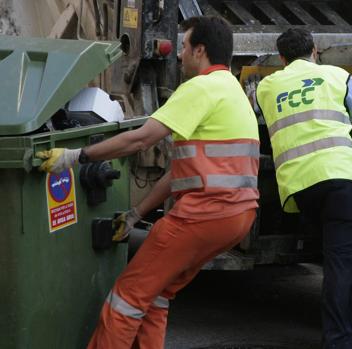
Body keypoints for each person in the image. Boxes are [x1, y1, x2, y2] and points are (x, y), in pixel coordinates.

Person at [36, 16, 259, 348]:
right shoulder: (233, 90)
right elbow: (178, 173)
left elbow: (139, 141)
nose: (179, 55)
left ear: (200, 50)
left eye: (183, 46)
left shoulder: (200, 87)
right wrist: (135, 215)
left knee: (126, 297)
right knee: (157, 293)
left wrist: (75, 156)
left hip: (203, 215)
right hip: (237, 218)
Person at [255, 28, 352, 348]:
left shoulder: (267, 86)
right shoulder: (338, 76)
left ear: (281, 58)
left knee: (328, 253)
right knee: (339, 260)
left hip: (300, 187)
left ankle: (341, 320)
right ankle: (338, 339)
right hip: (342, 178)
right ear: (316, 49)